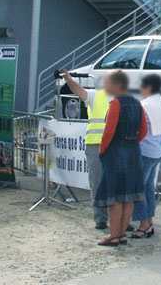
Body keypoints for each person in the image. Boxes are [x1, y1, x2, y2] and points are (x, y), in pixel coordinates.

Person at [95, 70, 148, 246]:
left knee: (115, 196)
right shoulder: (137, 103)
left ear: (117, 84)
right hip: (133, 151)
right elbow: (144, 130)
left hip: (116, 151)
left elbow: (109, 131)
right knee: (129, 195)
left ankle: (114, 235)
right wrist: (132, 142)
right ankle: (122, 234)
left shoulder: (116, 103)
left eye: (107, 83)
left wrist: (103, 151)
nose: (105, 86)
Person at [60, 69, 112, 229]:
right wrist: (69, 81)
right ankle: (101, 219)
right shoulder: (97, 95)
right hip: (96, 144)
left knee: (115, 184)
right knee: (97, 182)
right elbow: (79, 91)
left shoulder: (122, 97)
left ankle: (118, 219)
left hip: (113, 146)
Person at [131, 74, 161, 238]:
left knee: (139, 188)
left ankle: (143, 224)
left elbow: (137, 129)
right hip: (159, 151)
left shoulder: (143, 105)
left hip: (145, 151)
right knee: (148, 187)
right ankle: (149, 221)